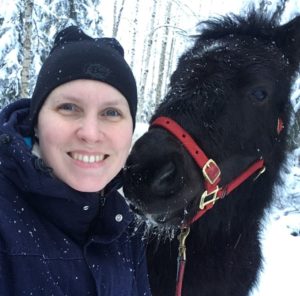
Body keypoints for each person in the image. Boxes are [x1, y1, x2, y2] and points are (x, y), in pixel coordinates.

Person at [0, 26, 151, 295]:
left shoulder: (125, 228)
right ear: (36, 121)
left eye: (111, 112)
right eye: (68, 107)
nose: (90, 134)